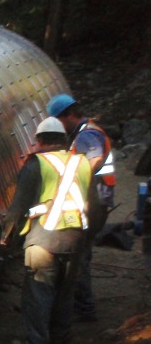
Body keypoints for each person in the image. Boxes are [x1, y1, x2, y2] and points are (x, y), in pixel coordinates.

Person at [0, 116, 92, 344]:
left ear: (39, 141)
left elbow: (18, 207)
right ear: (64, 139)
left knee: (38, 293)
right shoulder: (82, 162)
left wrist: (5, 238)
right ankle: (61, 338)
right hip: (75, 238)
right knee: (65, 290)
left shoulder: (35, 164)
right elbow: (94, 204)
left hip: (44, 239)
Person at [46, 93, 115, 321]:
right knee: (81, 254)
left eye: (58, 120)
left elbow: (93, 161)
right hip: (96, 200)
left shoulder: (87, 136)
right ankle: (79, 305)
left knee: (78, 256)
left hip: (94, 202)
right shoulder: (85, 133)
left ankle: (84, 310)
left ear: (69, 115)